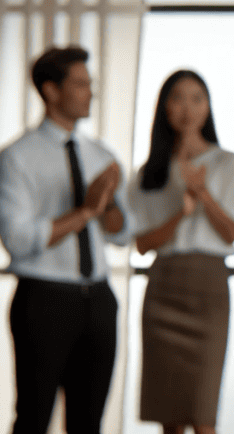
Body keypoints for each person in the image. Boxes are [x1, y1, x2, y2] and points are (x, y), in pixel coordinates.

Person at [0, 46, 133, 433]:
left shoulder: (101, 156)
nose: (90, 92)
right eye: (80, 84)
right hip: (43, 300)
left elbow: (122, 234)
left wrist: (108, 207)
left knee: (88, 423)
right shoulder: (17, 159)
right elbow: (18, 238)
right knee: (34, 418)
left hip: (99, 299)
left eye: (90, 84)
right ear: (51, 90)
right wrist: (84, 211)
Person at [127, 70, 234, 433]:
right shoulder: (150, 172)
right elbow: (143, 244)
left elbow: (229, 233)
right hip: (163, 284)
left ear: (208, 107)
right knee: (170, 417)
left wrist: (203, 192)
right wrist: (182, 210)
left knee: (203, 413)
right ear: (165, 107)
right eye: (178, 98)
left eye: (197, 98)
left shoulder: (226, 163)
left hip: (208, 285)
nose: (188, 108)